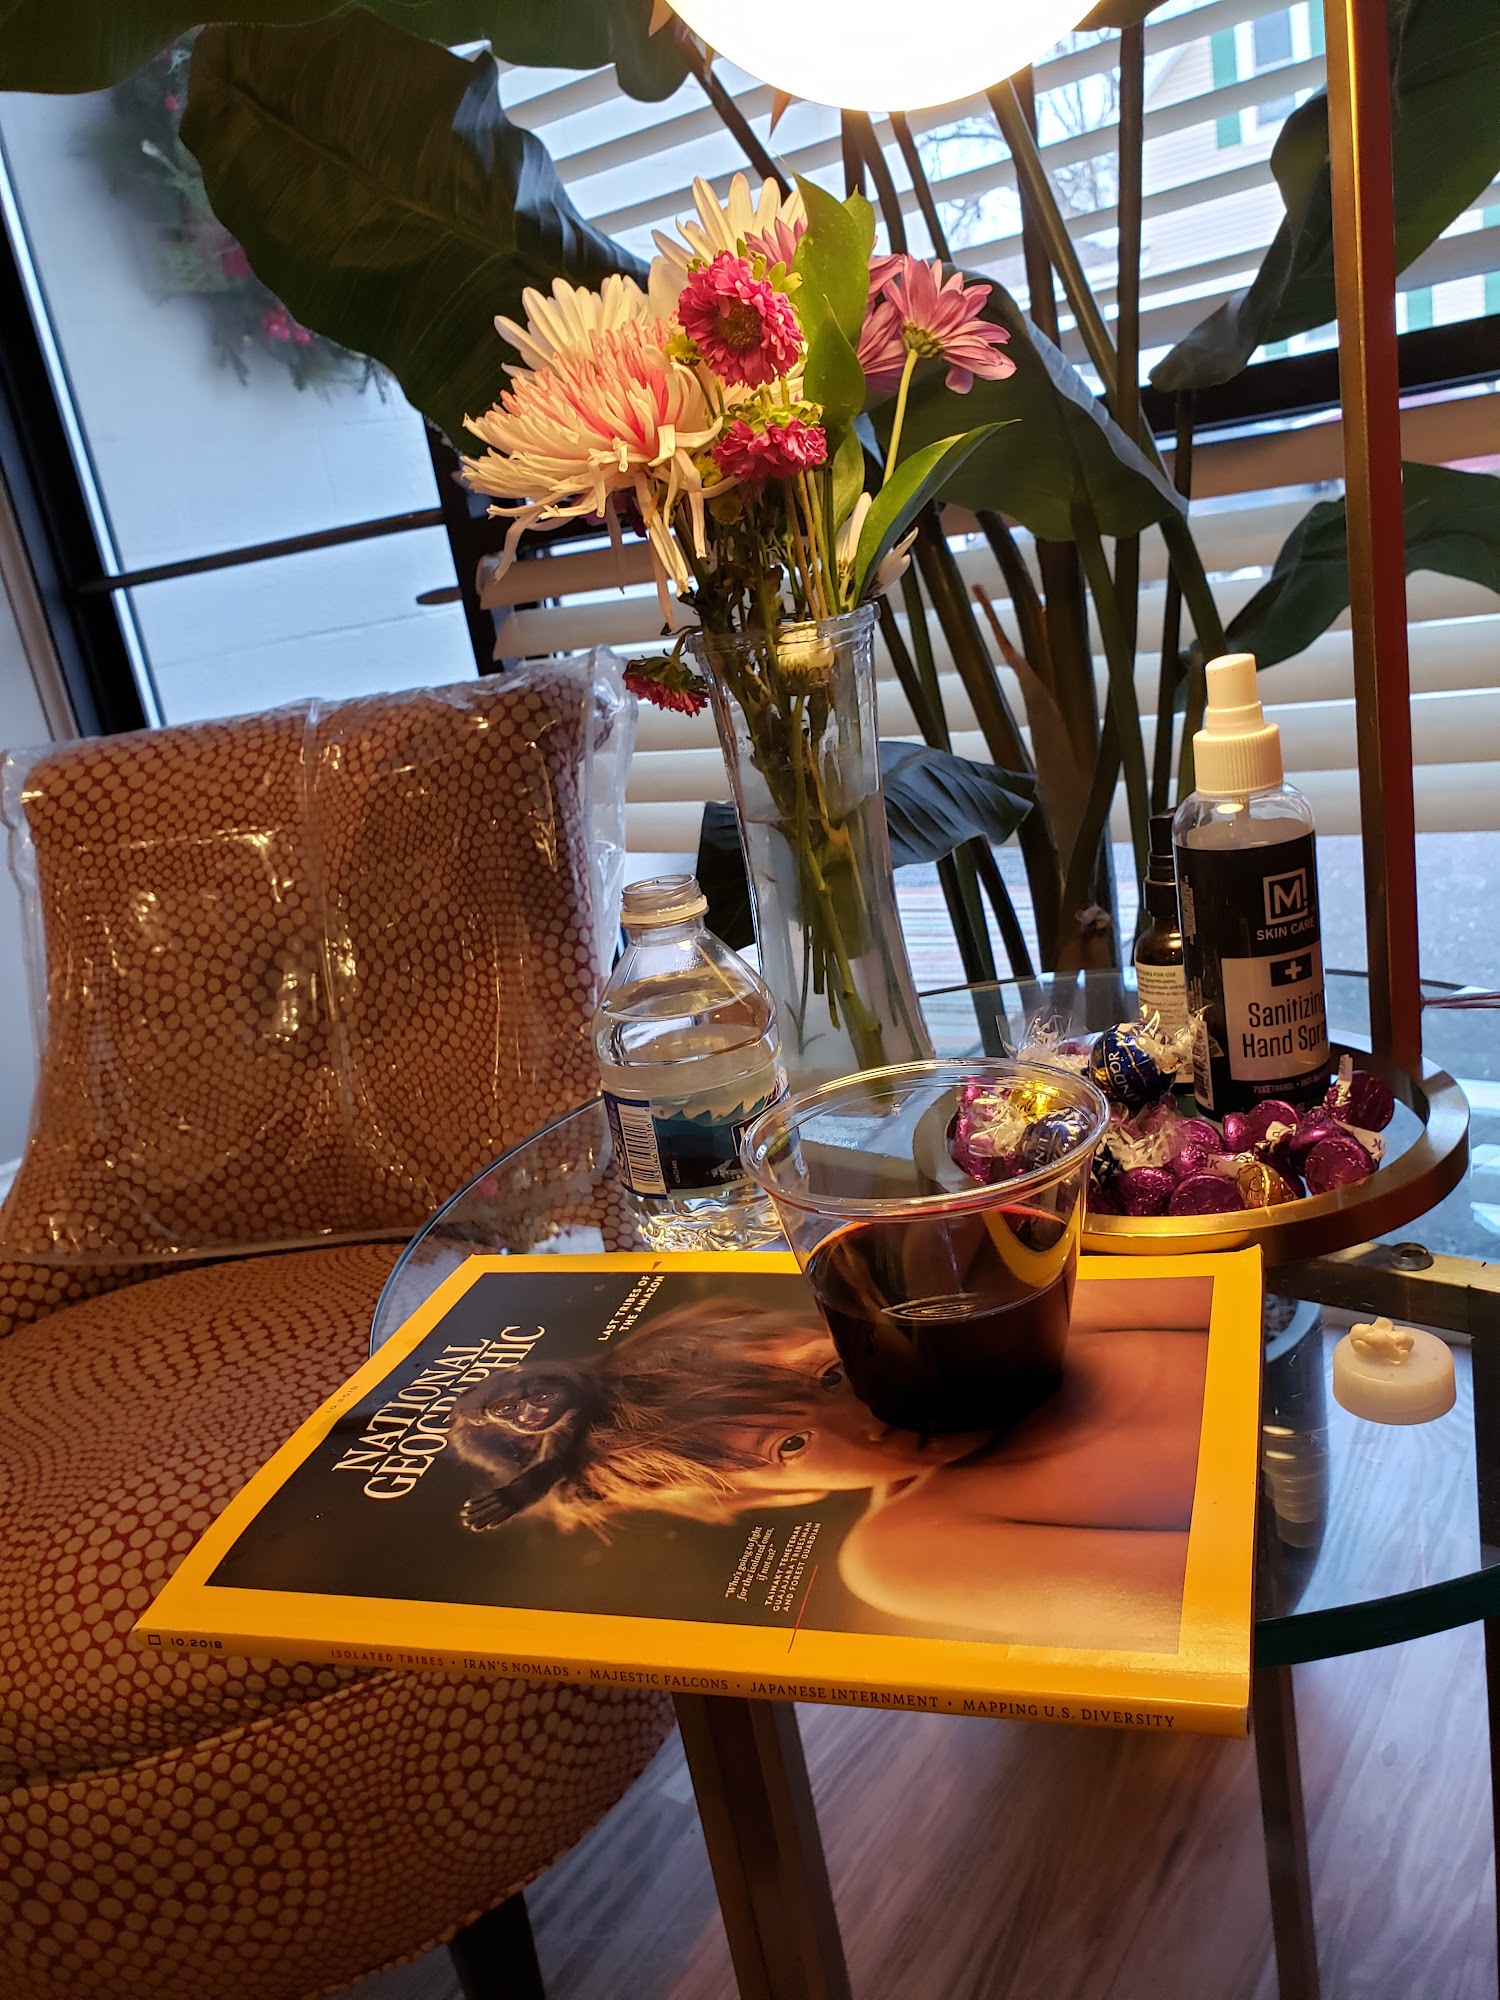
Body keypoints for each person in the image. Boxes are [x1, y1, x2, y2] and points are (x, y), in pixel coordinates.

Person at [446, 1276, 1212, 1653]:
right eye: (788, 1447)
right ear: (771, 1500)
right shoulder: (910, 1546)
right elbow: (1215, 1605)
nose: (871, 1412)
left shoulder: (984, 1322)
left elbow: (1241, 1297)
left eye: (832, 1374)